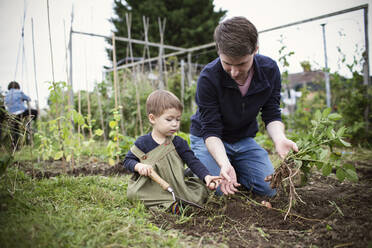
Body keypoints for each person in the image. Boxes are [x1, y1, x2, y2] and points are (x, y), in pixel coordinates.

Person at [189, 17, 298, 197]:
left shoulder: (269, 70)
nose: (234, 72)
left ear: (255, 50)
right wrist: (223, 163)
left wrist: (279, 139)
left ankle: (232, 167)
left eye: (241, 64)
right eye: (227, 64)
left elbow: (271, 112)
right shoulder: (209, 78)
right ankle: (203, 168)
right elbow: (210, 129)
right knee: (217, 190)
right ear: (219, 51)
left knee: (269, 189)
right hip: (209, 139)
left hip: (241, 138)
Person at [124, 89, 220, 213]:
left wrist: (206, 176)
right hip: (152, 188)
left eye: (178, 119)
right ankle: (172, 204)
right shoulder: (143, 142)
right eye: (169, 120)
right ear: (153, 118)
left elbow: (193, 161)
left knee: (198, 193)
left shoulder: (178, 143)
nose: (175, 124)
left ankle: (171, 204)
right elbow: (127, 161)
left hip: (176, 186)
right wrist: (138, 166)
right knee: (134, 195)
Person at [4, 81, 38, 148]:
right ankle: (28, 126)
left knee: (15, 130)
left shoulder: (7, 95)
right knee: (35, 112)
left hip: (11, 115)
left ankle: (15, 147)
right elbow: (28, 99)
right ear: (17, 87)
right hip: (21, 112)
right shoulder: (19, 92)